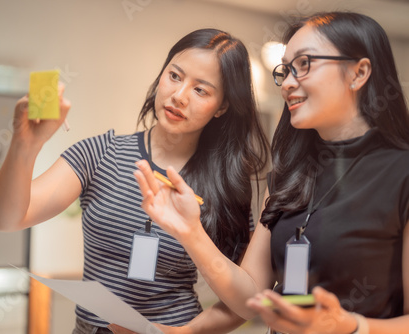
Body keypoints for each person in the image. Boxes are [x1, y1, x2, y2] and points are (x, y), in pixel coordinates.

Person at [134, 11, 409, 334]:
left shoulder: (401, 174)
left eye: (304, 64)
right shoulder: (288, 175)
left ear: (358, 72)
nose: (289, 82)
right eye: (286, 70)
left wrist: (351, 326)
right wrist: (191, 232)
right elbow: (250, 297)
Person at [0, 28, 269, 333]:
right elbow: (5, 219)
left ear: (223, 107)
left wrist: (185, 333)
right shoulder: (99, 154)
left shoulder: (226, 185)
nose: (179, 96)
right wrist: (24, 146)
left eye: (201, 90)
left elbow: (246, 300)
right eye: (174, 76)